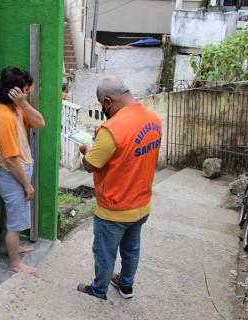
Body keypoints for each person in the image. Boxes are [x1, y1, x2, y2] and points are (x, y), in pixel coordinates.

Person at [77, 76, 162, 300]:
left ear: (107, 101)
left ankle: (98, 290)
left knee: (105, 253)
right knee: (131, 249)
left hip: (114, 209)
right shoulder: (153, 119)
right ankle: (126, 286)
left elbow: (90, 165)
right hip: (141, 205)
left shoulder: (111, 129)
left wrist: (87, 151)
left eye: (101, 105)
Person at [0, 67, 45, 275]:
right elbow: (11, 160)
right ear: (15, 91)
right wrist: (28, 185)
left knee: (14, 217)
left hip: (17, 175)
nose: (29, 91)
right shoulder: (4, 117)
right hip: (14, 177)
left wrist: (23, 104)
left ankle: (15, 249)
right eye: (25, 89)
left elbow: (40, 122)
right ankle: (14, 263)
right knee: (14, 224)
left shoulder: (15, 109)